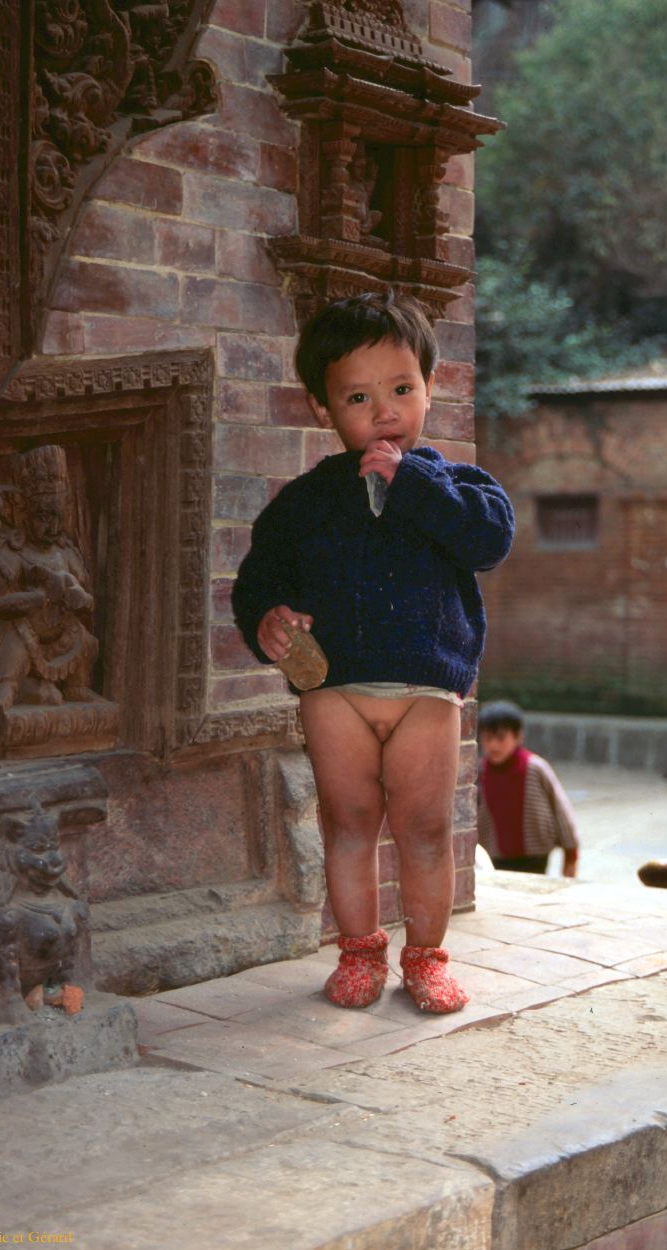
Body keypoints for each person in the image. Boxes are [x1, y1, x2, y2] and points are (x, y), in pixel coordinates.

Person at [232, 291, 514, 1013]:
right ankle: (359, 952)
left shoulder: (457, 486)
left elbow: (487, 543)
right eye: (358, 396)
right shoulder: (301, 504)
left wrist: (412, 481)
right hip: (336, 693)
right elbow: (259, 581)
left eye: (400, 389)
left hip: (426, 689)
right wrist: (266, 619)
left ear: (429, 386)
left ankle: (426, 958)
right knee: (347, 822)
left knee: (423, 828)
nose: (383, 410)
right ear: (321, 409)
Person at [477, 701, 580, 877]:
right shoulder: (479, 772)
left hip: (535, 855)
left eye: (501, 738)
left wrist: (571, 853)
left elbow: (560, 809)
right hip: (494, 854)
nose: (493, 745)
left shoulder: (535, 768)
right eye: (487, 738)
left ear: (518, 736)